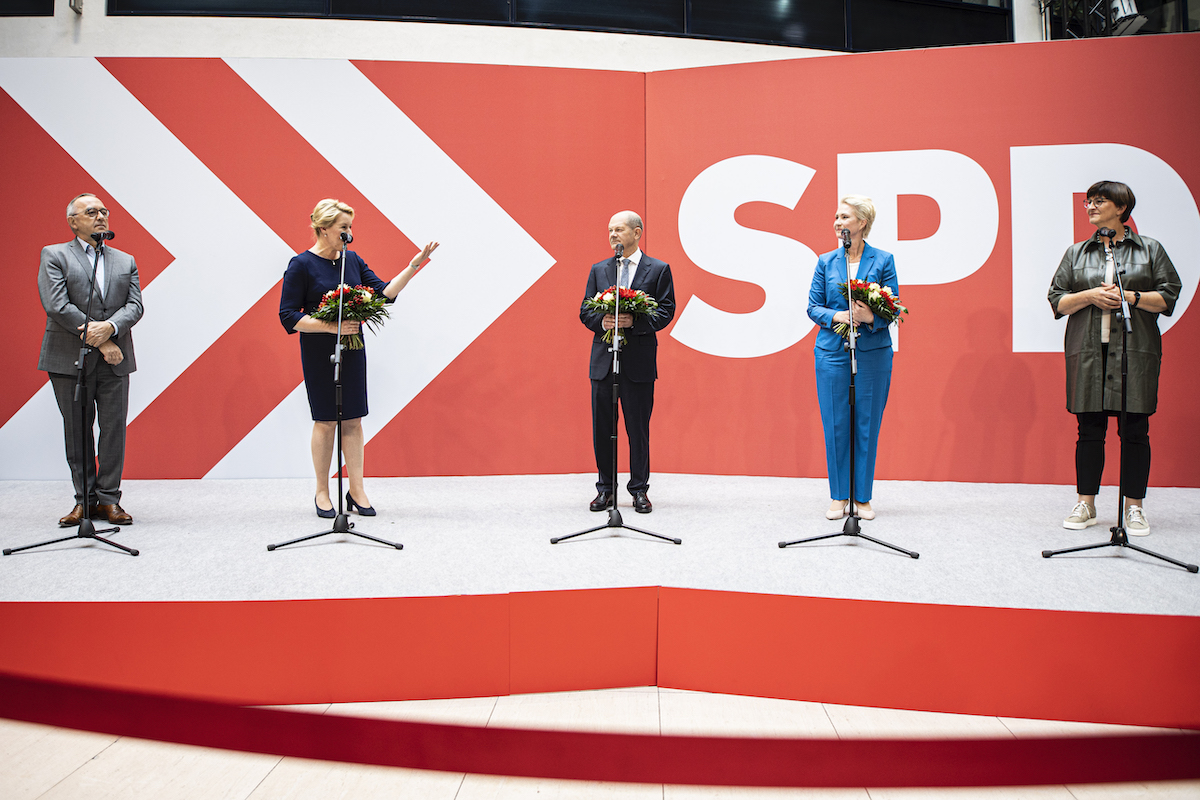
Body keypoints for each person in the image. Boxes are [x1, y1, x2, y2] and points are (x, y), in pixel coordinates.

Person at [279, 199, 438, 518]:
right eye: (343, 228)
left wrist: (413, 266)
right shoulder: (301, 265)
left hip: (352, 349)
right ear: (323, 229)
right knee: (325, 420)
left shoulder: (352, 261)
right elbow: (288, 315)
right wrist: (329, 326)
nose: (349, 233)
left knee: (353, 419)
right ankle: (322, 492)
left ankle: (357, 489)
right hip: (320, 352)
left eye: (351, 227)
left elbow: (383, 295)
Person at [1048, 181, 1180, 536]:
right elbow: (1057, 300)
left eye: (1099, 201)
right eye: (1088, 201)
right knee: (1089, 430)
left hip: (1133, 352)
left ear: (1121, 207)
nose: (1090, 206)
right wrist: (1090, 295)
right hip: (1089, 350)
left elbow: (1168, 297)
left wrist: (1132, 297)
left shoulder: (1150, 249)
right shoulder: (1077, 253)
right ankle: (1086, 503)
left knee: (1135, 430)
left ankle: (1134, 508)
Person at [39, 193, 144, 527]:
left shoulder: (124, 260)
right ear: (73, 221)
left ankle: (110, 501)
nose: (100, 217)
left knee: (113, 431)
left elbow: (135, 306)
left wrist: (111, 328)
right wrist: (102, 343)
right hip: (69, 359)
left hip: (116, 362)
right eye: (91, 212)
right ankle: (84, 501)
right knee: (77, 431)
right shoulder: (55, 255)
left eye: (104, 211)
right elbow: (57, 305)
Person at [807, 196, 897, 521]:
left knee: (866, 424)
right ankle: (838, 495)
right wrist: (840, 316)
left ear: (861, 222)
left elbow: (894, 307)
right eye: (836, 216)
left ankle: (862, 497)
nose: (837, 222)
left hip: (872, 354)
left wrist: (871, 317)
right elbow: (813, 306)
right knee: (836, 424)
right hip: (832, 353)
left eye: (844, 216)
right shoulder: (825, 262)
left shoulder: (884, 260)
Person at [580, 211, 675, 514]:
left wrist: (634, 321)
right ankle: (606, 489)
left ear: (637, 233)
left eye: (619, 230)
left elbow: (665, 311)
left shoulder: (658, 269)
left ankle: (639, 490)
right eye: (609, 230)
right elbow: (585, 310)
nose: (612, 235)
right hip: (603, 362)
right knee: (602, 429)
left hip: (638, 363)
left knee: (637, 428)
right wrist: (603, 320)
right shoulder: (599, 269)